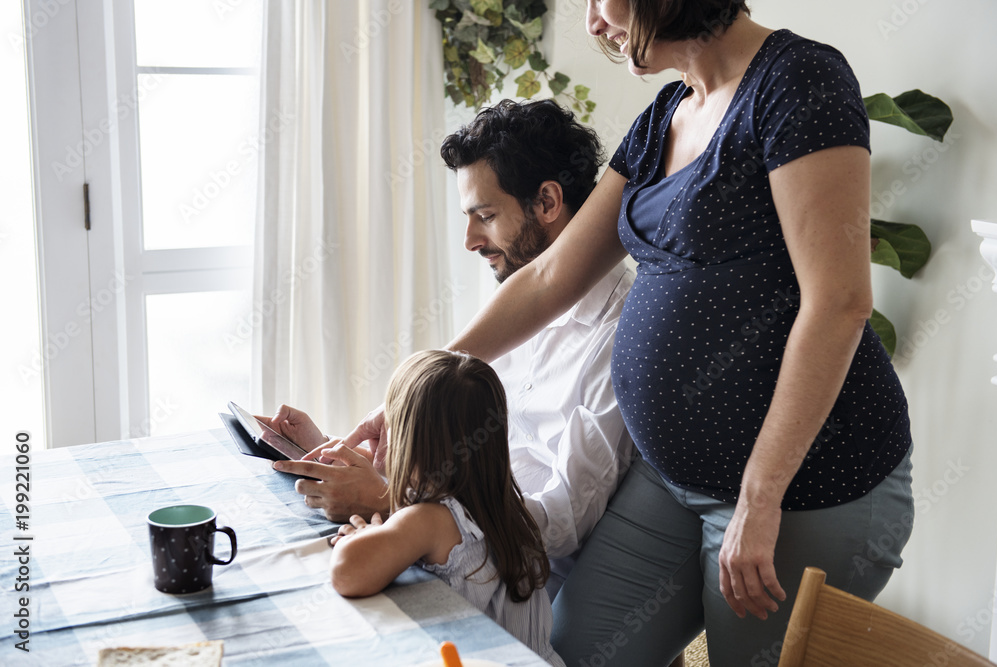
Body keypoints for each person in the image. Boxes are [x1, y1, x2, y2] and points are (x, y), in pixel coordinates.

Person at [338, 2, 915, 665]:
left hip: (805, 487)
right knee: (566, 652)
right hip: (671, 479)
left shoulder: (798, 82)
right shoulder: (666, 114)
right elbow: (552, 273)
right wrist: (417, 387)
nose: (591, 22)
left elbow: (839, 301)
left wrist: (760, 497)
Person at [268, 99, 636, 596]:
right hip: (446, 544)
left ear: (548, 203)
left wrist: (397, 504)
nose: (469, 240)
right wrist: (350, 461)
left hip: (515, 584)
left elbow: (561, 525)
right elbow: (462, 466)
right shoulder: (510, 308)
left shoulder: (617, 334)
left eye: (485, 215)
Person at [329, 349, 565, 667]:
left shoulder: (432, 519)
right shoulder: (510, 509)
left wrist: (371, 536)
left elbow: (346, 572)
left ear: (407, 444)